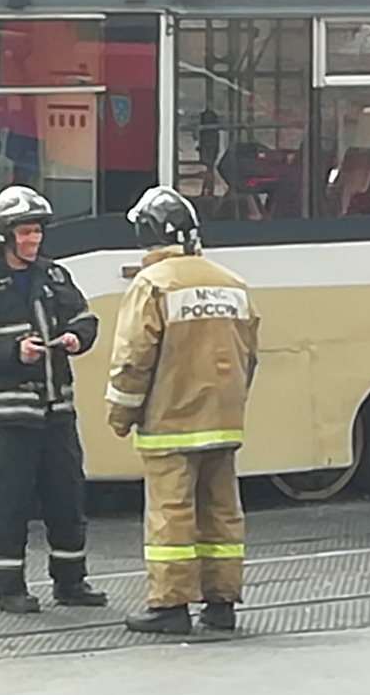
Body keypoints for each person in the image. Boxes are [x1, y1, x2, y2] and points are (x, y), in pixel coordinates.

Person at [106, 187, 259, 636]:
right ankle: (221, 604)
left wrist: (120, 414)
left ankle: (171, 606)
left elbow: (134, 359)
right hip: (224, 421)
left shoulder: (152, 284)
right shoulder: (232, 283)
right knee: (221, 511)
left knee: (171, 515)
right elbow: (249, 355)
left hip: (171, 423)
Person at [0, 184, 106, 614]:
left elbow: (85, 317)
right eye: (26, 232)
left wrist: (77, 337)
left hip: (57, 414)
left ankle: (71, 582)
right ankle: (9, 588)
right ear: (3, 236)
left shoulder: (55, 277)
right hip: (8, 418)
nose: (34, 239)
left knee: (67, 497)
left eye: (37, 231)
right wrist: (12, 352)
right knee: (9, 503)